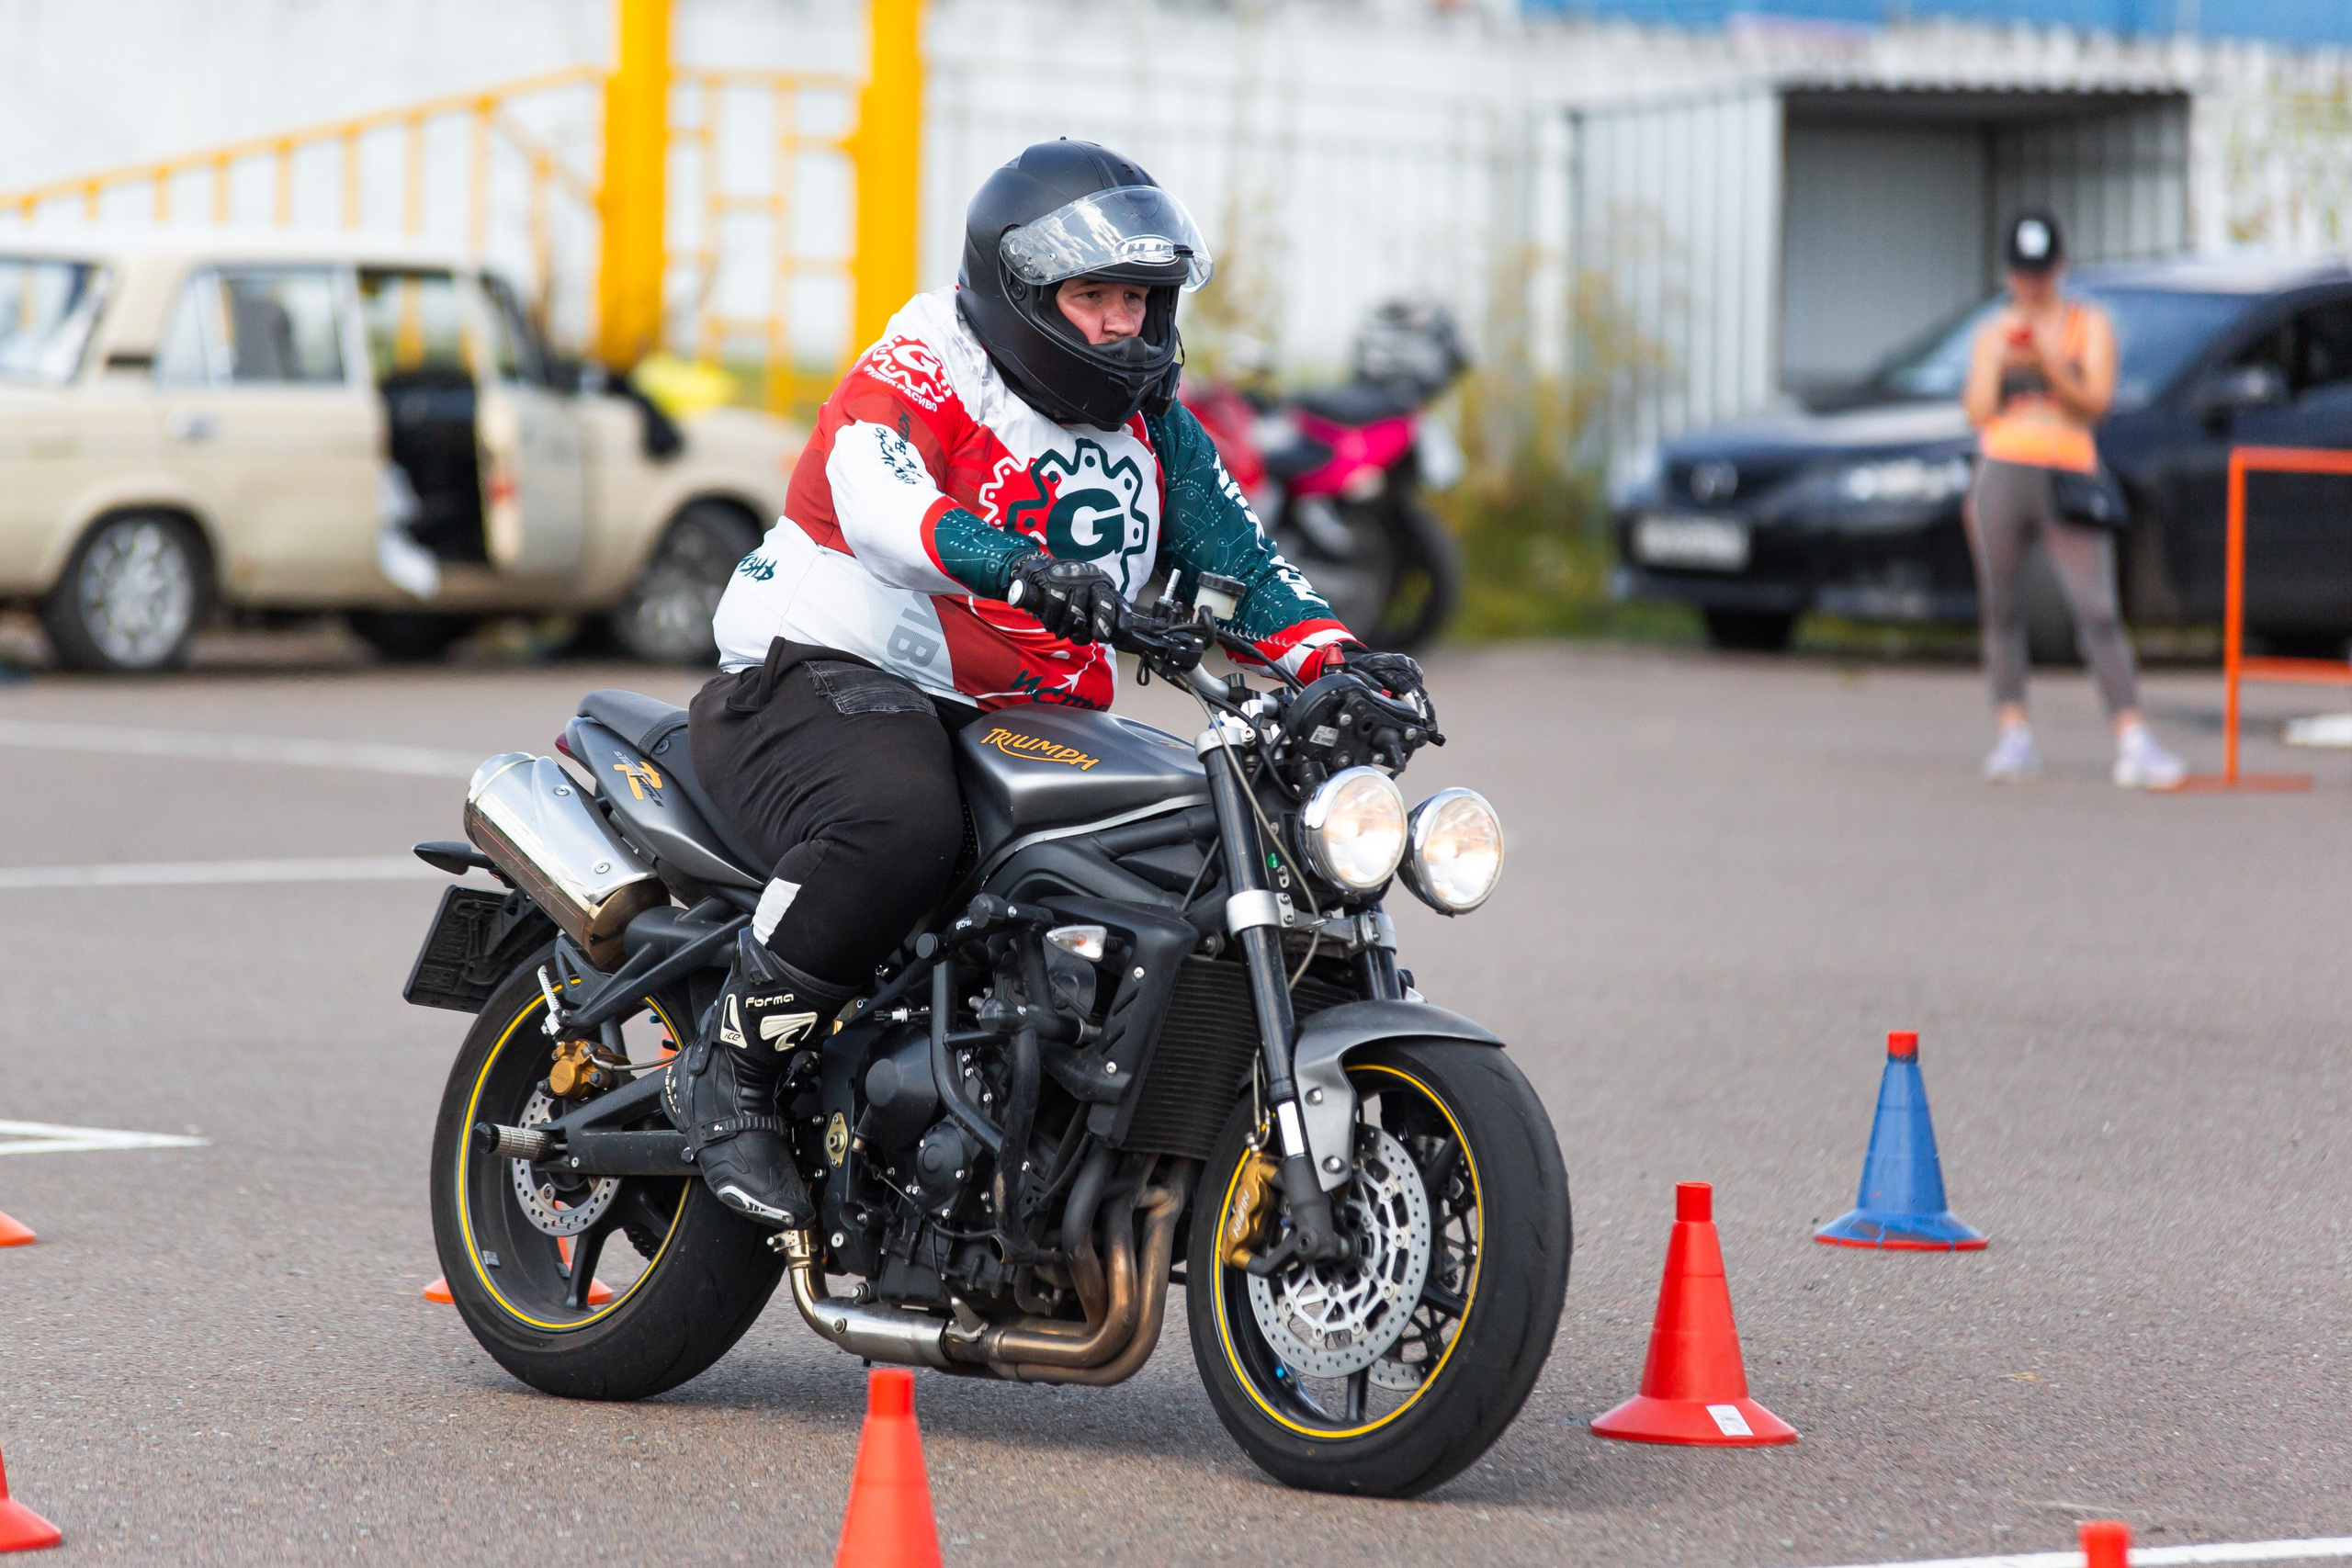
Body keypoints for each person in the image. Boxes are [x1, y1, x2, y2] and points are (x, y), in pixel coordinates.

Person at [662, 139, 1419, 1228]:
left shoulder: (1155, 422)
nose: (1123, 323)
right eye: (1094, 296)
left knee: (1182, 838)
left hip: (1023, 716)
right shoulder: (925, 362)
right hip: (826, 675)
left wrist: (1339, 664)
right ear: (1021, 294)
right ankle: (726, 1073)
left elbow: (1243, 568)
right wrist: (1011, 562)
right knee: (900, 824)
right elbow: (878, 501)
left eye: (1139, 299)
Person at [1962, 212, 2184, 788]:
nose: (2031, 286)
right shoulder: (1991, 334)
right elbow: (1979, 409)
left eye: (2040, 273)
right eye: (2020, 274)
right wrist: (2006, 363)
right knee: (2001, 605)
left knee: (2096, 607)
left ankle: (2132, 735)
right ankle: (2013, 732)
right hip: (2005, 468)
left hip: (2067, 471)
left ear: (2058, 269)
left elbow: (2095, 402)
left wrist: (2047, 366)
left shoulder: (2089, 325)